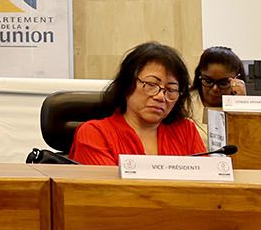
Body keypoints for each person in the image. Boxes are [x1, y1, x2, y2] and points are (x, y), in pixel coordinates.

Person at [70, 42, 206, 165]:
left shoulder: (186, 131)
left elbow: (205, 187)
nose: (160, 97)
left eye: (171, 90)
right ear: (127, 83)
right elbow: (112, 191)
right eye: (151, 84)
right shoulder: (95, 134)